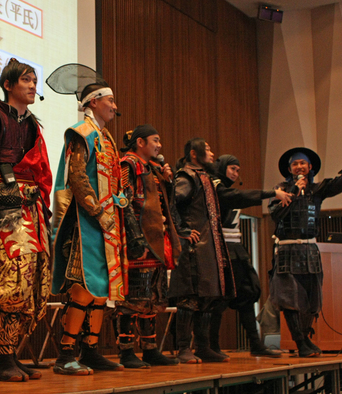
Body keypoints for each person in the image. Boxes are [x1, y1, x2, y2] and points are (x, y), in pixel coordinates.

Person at [0, 59, 52, 381]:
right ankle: (3, 358)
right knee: (8, 280)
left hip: (29, 207)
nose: (32, 86)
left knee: (32, 279)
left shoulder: (31, 124)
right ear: (8, 85)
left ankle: (12, 354)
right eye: (26, 80)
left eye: (34, 81)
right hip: (3, 210)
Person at [50, 69, 128, 375]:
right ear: (93, 102)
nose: (114, 106)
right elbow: (78, 177)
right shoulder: (82, 133)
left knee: (102, 288)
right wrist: (97, 212)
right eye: (110, 100)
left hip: (108, 222)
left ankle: (91, 349)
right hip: (87, 222)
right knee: (83, 287)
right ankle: (65, 352)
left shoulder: (106, 138)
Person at [269, 147, 342, 357]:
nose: (299, 167)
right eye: (295, 164)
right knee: (289, 298)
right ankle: (299, 342)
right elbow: (276, 214)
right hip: (287, 249)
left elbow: (340, 182)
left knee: (312, 299)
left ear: (310, 167)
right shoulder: (280, 189)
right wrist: (294, 190)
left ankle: (305, 337)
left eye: (302, 163)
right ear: (289, 169)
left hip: (310, 249)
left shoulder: (317, 189)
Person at [114, 125, 191, 368]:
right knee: (133, 297)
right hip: (138, 238)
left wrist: (168, 181)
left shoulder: (153, 168)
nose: (159, 145)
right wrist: (134, 236)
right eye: (155, 140)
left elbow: (165, 202)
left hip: (156, 239)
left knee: (153, 296)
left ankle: (149, 349)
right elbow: (123, 201)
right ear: (140, 142)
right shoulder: (128, 164)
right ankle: (126, 351)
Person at [207, 155, 290, 358]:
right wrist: (272, 193)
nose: (236, 173)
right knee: (218, 298)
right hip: (219, 249)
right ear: (222, 168)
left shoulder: (227, 190)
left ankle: (255, 343)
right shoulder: (215, 187)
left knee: (247, 294)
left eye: (238, 170)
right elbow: (240, 196)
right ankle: (212, 346)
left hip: (236, 248)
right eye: (232, 169)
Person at [169, 138, 235, 363]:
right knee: (189, 297)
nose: (212, 153)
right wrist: (181, 230)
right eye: (207, 149)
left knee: (207, 296)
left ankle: (203, 346)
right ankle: (183, 348)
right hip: (193, 248)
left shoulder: (203, 176)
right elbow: (171, 203)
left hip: (207, 245)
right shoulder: (186, 176)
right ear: (194, 154)